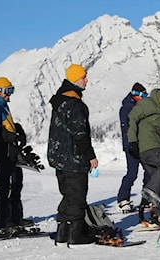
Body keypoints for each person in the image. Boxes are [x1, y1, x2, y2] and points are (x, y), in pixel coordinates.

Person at [47, 64, 98, 246]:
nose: (86, 80)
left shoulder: (60, 101)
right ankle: (76, 234)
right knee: (77, 195)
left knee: (67, 194)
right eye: (84, 77)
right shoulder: (74, 103)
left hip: (59, 157)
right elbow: (80, 133)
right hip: (73, 157)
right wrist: (90, 156)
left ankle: (63, 231)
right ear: (75, 79)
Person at [0, 77, 33, 231]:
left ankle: (16, 218)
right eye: (7, 91)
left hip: (11, 151)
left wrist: (18, 130)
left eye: (11, 91)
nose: (9, 95)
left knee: (17, 184)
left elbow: (8, 125)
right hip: (1, 152)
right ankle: (2, 221)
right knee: (6, 187)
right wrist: (13, 136)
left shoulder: (2, 104)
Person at [127, 86, 160, 225]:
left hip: (156, 146)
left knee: (157, 178)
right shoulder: (147, 103)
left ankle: (157, 213)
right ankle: (150, 191)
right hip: (148, 146)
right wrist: (132, 142)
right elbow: (132, 117)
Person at [116, 82, 151, 213]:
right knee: (132, 173)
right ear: (137, 95)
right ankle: (122, 199)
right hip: (131, 145)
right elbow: (127, 129)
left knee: (149, 172)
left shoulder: (139, 106)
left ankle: (147, 198)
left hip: (142, 145)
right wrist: (131, 144)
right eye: (144, 95)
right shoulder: (127, 108)